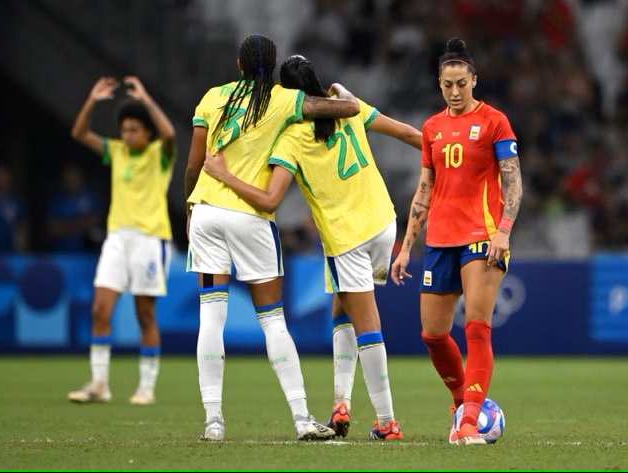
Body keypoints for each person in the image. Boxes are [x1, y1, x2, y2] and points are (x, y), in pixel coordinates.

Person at [203, 54, 422, 440]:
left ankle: (387, 422)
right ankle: (341, 401)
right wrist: (449, 156)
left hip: (347, 237)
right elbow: (406, 133)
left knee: (367, 325)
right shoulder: (349, 105)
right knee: (344, 308)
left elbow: (271, 198)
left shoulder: (291, 137)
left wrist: (222, 174)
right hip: (384, 224)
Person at [184, 34, 361, 442]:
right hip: (251, 217)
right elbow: (347, 109)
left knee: (211, 316)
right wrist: (333, 91)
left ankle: (213, 422)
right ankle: (301, 418)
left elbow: (194, 165)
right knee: (274, 321)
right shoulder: (283, 99)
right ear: (273, 64)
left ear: (240, 65)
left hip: (207, 212)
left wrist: (190, 208)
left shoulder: (213, 97)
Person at [389, 38, 523, 446]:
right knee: (432, 334)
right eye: (447, 84)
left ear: (474, 80)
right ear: (439, 84)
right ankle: (461, 402)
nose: (454, 91)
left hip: (482, 237)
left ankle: (469, 423)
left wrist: (503, 229)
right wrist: (406, 245)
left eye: (461, 83)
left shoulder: (496, 121)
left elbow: (513, 180)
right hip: (440, 239)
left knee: (477, 329)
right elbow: (424, 190)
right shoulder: (432, 127)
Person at [68, 75, 176, 406]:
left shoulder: (160, 154)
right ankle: (99, 383)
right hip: (117, 238)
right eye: (124, 129)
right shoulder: (115, 151)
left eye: (134, 129)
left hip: (149, 238)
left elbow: (170, 133)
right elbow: (79, 133)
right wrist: (92, 100)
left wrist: (144, 99)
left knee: (145, 314)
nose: (127, 135)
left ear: (146, 132)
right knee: (100, 308)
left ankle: (146, 386)